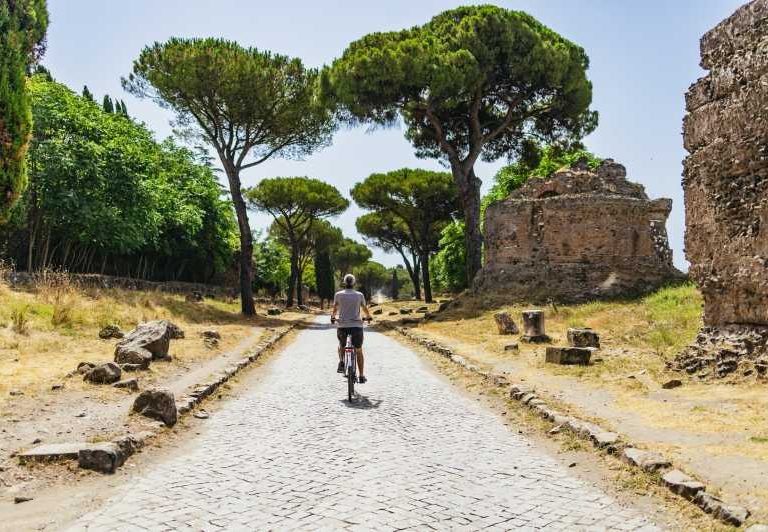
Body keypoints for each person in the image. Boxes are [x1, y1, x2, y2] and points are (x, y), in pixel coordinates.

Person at [331, 273, 373, 383]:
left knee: (341, 345)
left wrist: (332, 317)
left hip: (342, 326)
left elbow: (335, 309)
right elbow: (364, 308)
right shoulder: (359, 295)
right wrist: (368, 317)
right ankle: (362, 375)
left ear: (344, 283)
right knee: (358, 350)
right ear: (354, 283)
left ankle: (341, 361)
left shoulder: (338, 294)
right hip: (356, 327)